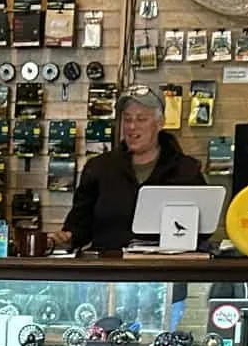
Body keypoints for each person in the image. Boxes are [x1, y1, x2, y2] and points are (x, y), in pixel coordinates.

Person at [59, 85, 207, 253]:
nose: (131, 127)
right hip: (110, 271)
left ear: (160, 123)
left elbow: (202, 230)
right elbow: (79, 226)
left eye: (141, 119)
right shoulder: (99, 168)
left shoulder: (186, 170)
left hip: (165, 271)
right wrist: (64, 239)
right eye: (127, 119)